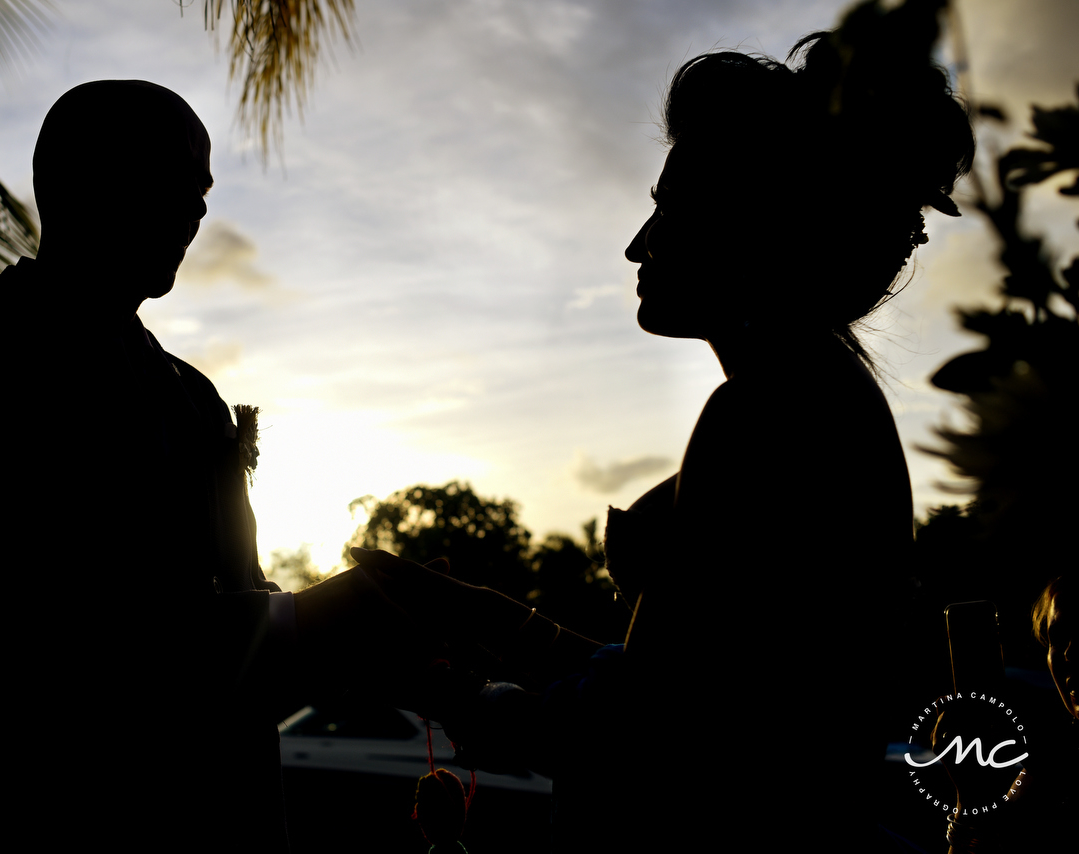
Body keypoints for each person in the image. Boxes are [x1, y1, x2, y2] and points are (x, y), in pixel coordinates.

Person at [357, 3, 976, 851]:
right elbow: (689, 681)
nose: (638, 244)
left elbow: (646, 737)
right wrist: (490, 615)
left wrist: (440, 687)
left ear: (761, 221)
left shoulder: (766, 411)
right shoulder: (816, 394)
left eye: (674, 205)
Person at [0, 80, 411, 853]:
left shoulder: (195, 396)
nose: (197, 206)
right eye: (174, 173)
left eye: (206, 186)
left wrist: (369, 646)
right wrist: (303, 624)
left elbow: (241, 618)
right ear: (72, 176)